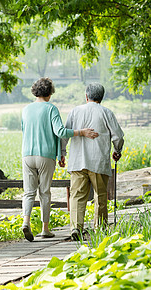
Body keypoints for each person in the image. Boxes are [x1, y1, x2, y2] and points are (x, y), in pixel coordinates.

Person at [21, 77, 98, 242]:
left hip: (27, 155)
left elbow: (24, 131)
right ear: (49, 93)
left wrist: (59, 152)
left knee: (29, 192)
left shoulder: (26, 109)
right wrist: (81, 132)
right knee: (44, 192)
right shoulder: (51, 109)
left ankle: (25, 222)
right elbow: (61, 132)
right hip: (45, 156)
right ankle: (45, 229)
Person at [61, 82, 124, 241]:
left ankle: (76, 227)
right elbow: (118, 136)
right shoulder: (106, 112)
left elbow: (65, 134)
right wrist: (117, 151)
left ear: (86, 95)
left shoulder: (75, 111)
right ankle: (100, 228)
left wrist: (62, 153)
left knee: (77, 196)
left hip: (77, 161)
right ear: (101, 98)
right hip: (98, 161)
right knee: (100, 196)